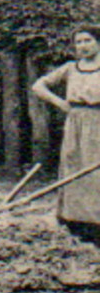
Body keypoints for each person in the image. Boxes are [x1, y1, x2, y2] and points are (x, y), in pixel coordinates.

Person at [31, 25, 100, 244]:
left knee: (95, 171)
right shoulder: (71, 68)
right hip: (74, 123)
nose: (83, 46)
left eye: (87, 40)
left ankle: (96, 225)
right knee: (72, 167)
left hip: (98, 123)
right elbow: (38, 86)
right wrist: (59, 103)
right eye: (78, 42)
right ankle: (74, 222)